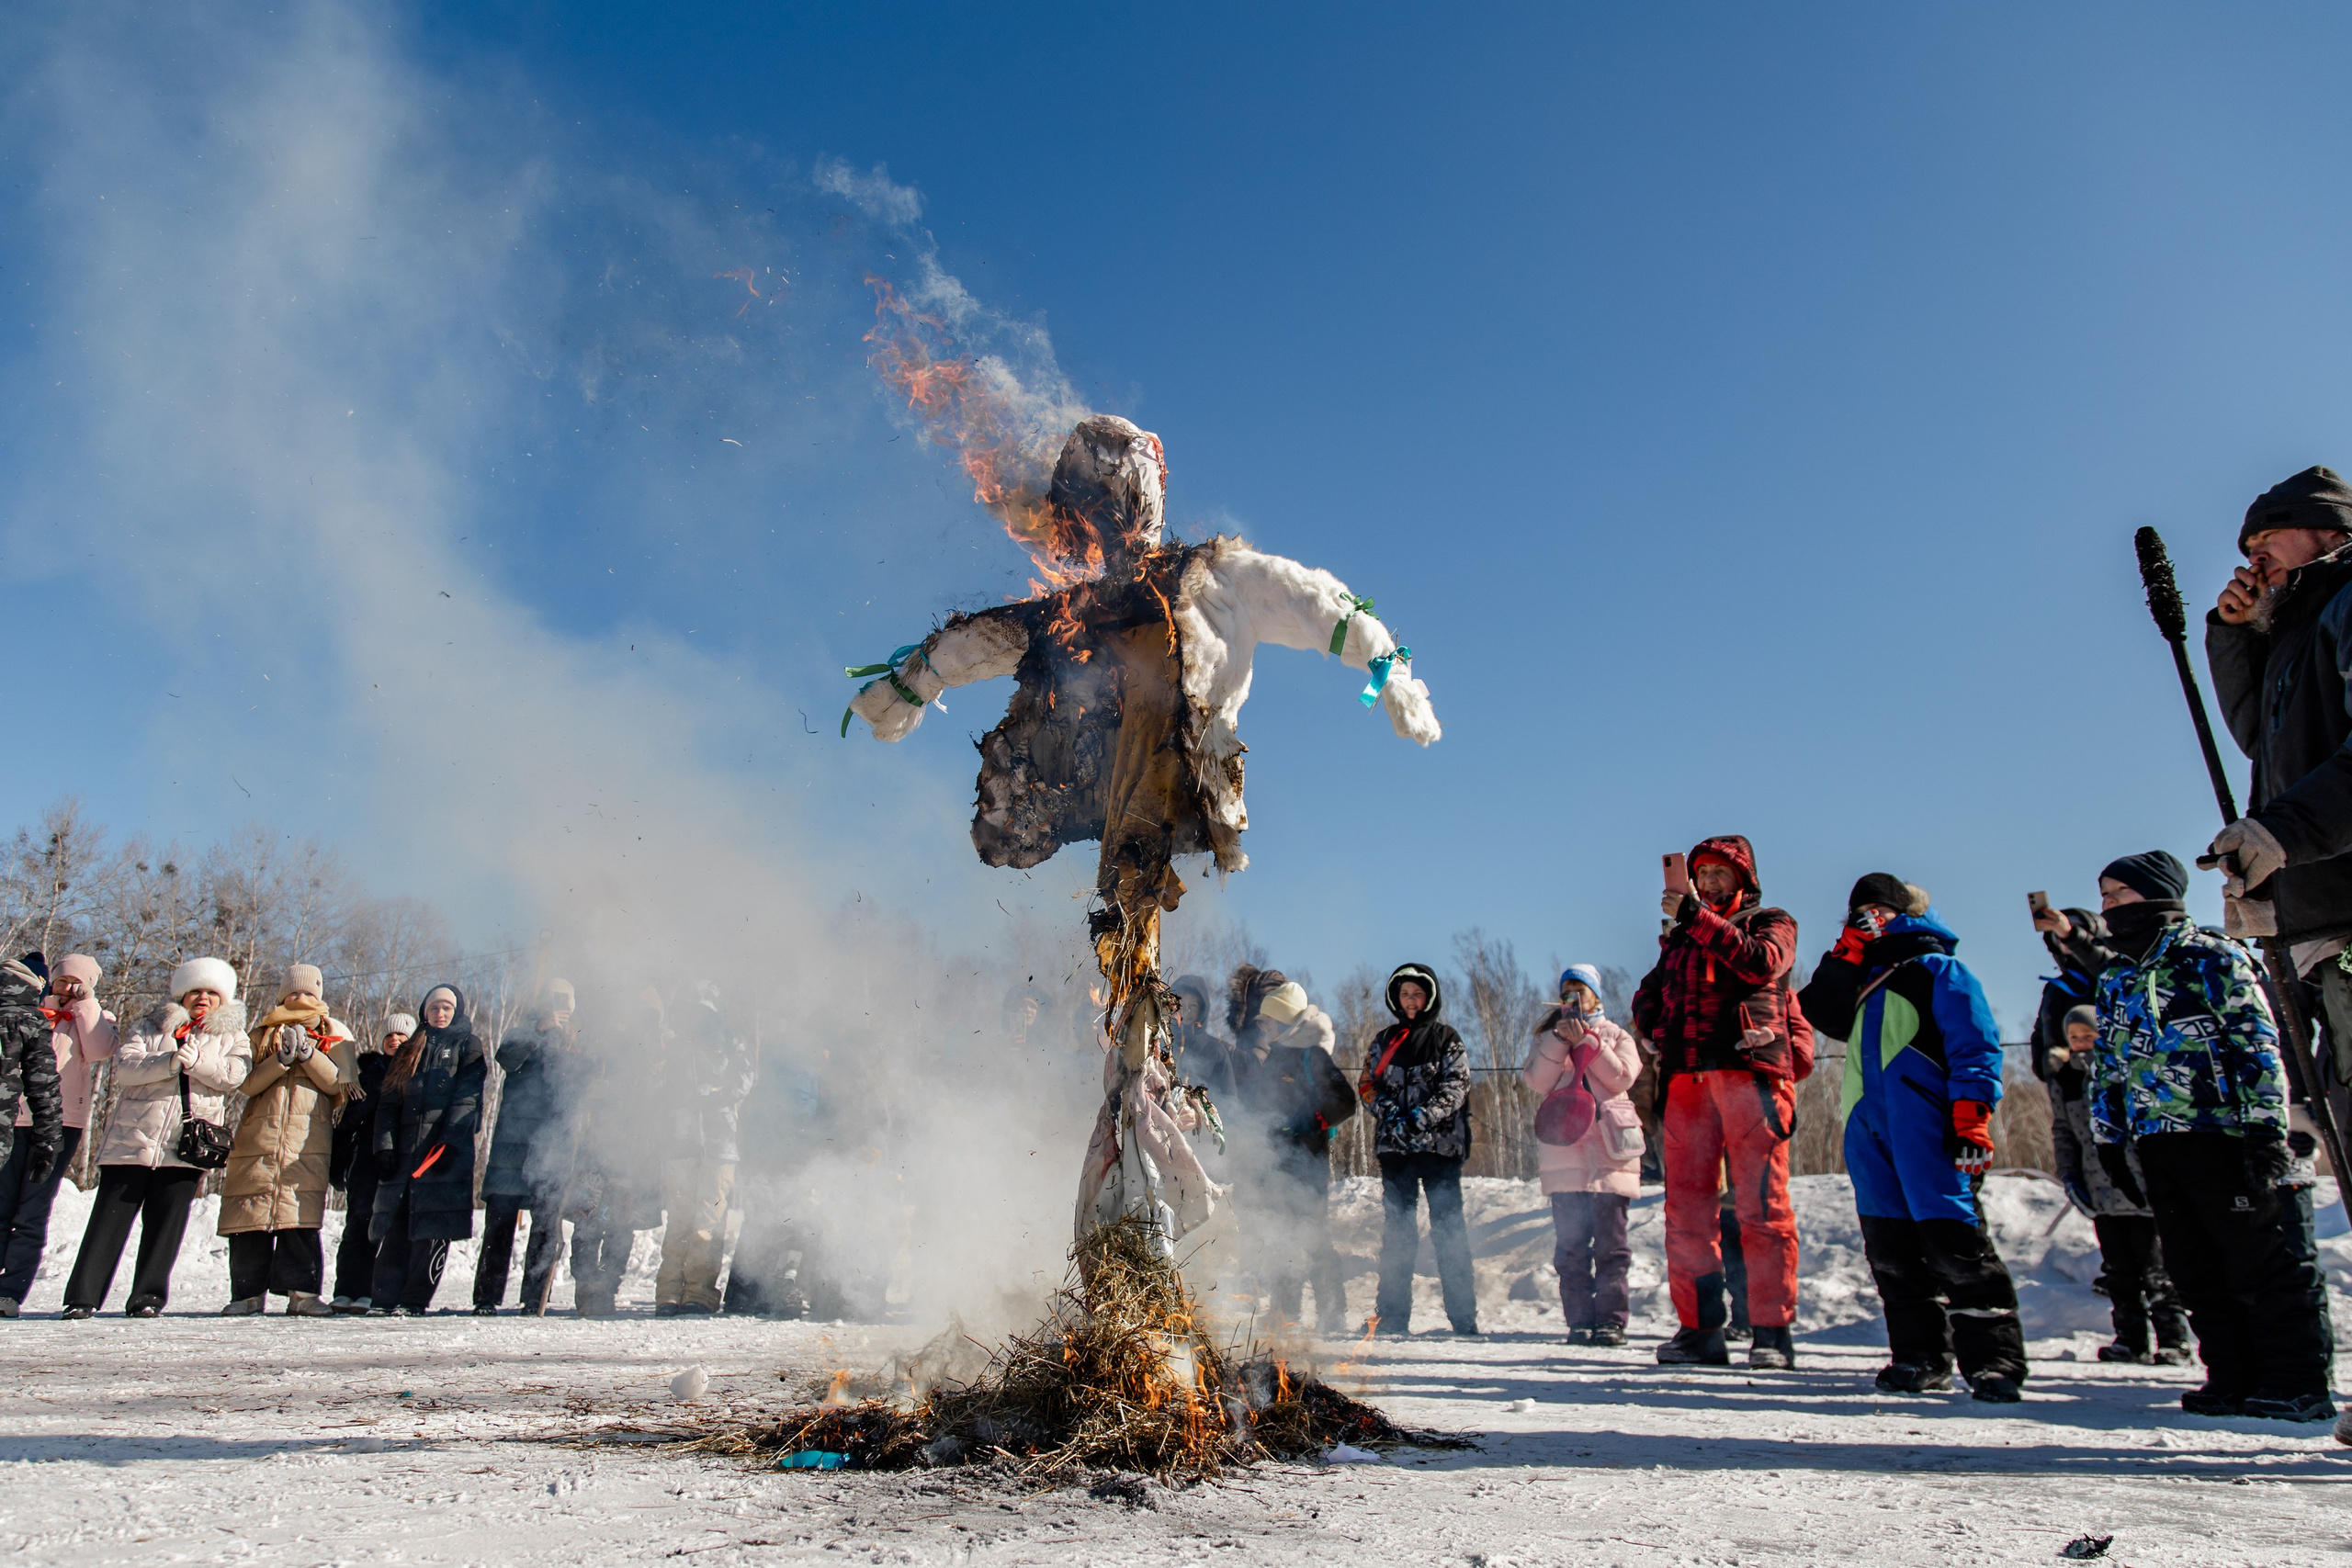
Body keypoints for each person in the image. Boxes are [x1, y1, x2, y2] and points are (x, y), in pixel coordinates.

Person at [2087, 850, 2335, 1422]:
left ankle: (2297, 1380)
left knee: (2258, 1259)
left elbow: (2256, 1043)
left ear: (2156, 895)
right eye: (2103, 896)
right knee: (2193, 1265)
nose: (2108, 906)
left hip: (2224, 1132)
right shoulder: (2117, 975)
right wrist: (2109, 1137)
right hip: (2157, 1137)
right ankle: (2231, 1374)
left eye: (2118, 894)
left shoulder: (2211, 956)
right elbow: (2110, 1062)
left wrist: (2266, 1128)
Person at [1800, 874, 2027, 1401]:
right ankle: (1919, 1356)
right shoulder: (1859, 979)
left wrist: (1972, 1115)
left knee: (1956, 1247)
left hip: (1929, 1127)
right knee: (1892, 1253)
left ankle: (1993, 1361)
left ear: (1906, 913)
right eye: (1857, 913)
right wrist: (1845, 954)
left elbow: (1976, 1044)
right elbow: (1820, 1011)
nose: (1865, 919)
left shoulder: (1940, 970)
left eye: (1876, 910)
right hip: (1869, 1129)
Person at [1630, 835, 1806, 1371]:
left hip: (1749, 1076)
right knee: (1685, 1212)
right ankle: (1700, 1330)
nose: (1707, 883)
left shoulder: (1771, 921)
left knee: (1760, 1208)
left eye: (1718, 875)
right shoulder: (1680, 936)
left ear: (1743, 880)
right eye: (1700, 874)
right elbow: (1648, 991)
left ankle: (1771, 1332)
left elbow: (1761, 964)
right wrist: (1654, 1025)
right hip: (1687, 1080)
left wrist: (1696, 919)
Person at [62, 957, 251, 1318]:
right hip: (131, 1139)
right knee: (108, 1219)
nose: (203, 998)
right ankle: (82, 1298)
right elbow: (125, 1068)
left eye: (212, 992)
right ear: (182, 994)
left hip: (186, 1144)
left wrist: (198, 1065)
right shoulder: (150, 1025)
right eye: (195, 990)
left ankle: (147, 1299)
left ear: (222, 999)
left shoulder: (233, 1035)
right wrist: (169, 1063)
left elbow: (233, 1075)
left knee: (167, 1224)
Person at [2043, 1003, 2189, 1365]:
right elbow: (2064, 1133)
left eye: (2088, 1037)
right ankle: (2130, 1338)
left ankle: (2173, 1339)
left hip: (2140, 1190)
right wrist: (2070, 1175)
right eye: (2074, 1038)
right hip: (2099, 1190)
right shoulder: (2066, 1079)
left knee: (2156, 1268)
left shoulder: (2127, 1072)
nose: (2080, 1044)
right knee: (2118, 1271)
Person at [1223, 966, 1357, 1334]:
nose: (1262, 1025)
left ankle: (1332, 1313)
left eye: (1267, 1019)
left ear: (1282, 1020)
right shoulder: (1277, 1057)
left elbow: (1345, 1102)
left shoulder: (1312, 1057)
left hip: (1308, 1164)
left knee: (1313, 1238)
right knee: (1282, 1238)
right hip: (1278, 1164)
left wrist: (1310, 1119)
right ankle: (1284, 1312)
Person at [219, 964, 354, 1317]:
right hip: (258, 1139)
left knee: (300, 1219)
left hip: (308, 1140)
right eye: (293, 993)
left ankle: (303, 1294)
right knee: (250, 1219)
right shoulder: (260, 1033)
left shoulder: (336, 1034)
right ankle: (247, 1294)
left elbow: (341, 1085)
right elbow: (246, 1085)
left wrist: (310, 1056)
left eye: (309, 993)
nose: (300, 999)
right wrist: (280, 1060)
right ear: (281, 995)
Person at [1522, 964, 1643, 1348]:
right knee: (1571, 1247)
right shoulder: (1547, 1038)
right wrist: (1559, 1041)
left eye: (1580, 990)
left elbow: (1622, 1078)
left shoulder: (1616, 1035)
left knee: (1612, 1246)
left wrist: (1591, 1040)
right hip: (1566, 1154)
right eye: (1567, 991)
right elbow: (1538, 1082)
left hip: (1610, 1152)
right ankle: (1578, 1321)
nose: (1572, 997)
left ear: (1595, 995)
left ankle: (1611, 1321)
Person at [1359, 962, 1476, 1337]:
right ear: (1396, 997)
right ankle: (1393, 1316)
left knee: (1448, 1230)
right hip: (1396, 1151)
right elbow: (1367, 1084)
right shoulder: (1384, 1041)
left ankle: (1463, 1316)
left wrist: (1422, 1117)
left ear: (1431, 996)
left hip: (1440, 1150)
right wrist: (1391, 1113)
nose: (1412, 1000)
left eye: (1418, 993)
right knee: (1398, 1233)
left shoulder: (1446, 1038)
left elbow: (1457, 1087)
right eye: (1405, 993)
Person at [368, 985, 486, 1315]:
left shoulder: (467, 1045)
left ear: (457, 1012)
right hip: (405, 1153)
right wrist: (384, 1148)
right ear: (425, 1011)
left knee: (432, 1230)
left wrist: (451, 1141)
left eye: (447, 1008)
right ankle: (383, 1298)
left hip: (443, 1155)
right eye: (435, 1008)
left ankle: (414, 1300)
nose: (441, 1013)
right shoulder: (410, 1049)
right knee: (395, 1225)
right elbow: (388, 1104)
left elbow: (468, 1098)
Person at [476, 979, 580, 1315]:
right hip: (512, 1145)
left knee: (546, 1225)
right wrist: (541, 1030)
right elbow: (506, 1057)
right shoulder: (522, 1033)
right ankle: (486, 1298)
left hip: (553, 1146)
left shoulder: (574, 1040)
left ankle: (535, 1298)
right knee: (500, 1224)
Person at [654, 983, 754, 1317]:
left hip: (719, 1143)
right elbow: (659, 1086)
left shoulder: (731, 1041)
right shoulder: (673, 1043)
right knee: (679, 1221)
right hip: (681, 1144)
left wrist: (715, 1094)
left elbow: (744, 1079)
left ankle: (698, 1293)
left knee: (707, 1222)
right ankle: (668, 1292)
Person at [0, 952, 82, 1315]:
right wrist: (50, 1141)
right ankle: (9, 1293)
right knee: (28, 1216)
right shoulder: (30, 1021)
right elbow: (44, 1087)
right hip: (12, 1132)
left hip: (14, 1132)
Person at [327, 1013, 410, 1312]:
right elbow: (346, 1121)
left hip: (398, 1161)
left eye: (401, 1037)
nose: (395, 1041)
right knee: (358, 1222)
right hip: (364, 1160)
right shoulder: (366, 1073)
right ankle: (347, 1289)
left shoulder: (415, 1074)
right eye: (389, 1037)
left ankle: (375, 1290)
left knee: (387, 1228)